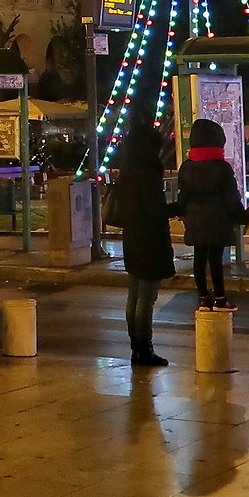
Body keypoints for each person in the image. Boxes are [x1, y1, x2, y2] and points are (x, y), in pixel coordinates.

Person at [105, 125, 175, 367]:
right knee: (146, 298)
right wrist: (178, 207)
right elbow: (155, 210)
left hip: (132, 238)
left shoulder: (127, 171)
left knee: (134, 296)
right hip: (150, 240)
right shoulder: (148, 173)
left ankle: (136, 347)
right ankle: (144, 348)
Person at [175, 119, 248, 309]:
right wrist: (242, 217)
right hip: (218, 220)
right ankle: (220, 298)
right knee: (215, 260)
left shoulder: (187, 167)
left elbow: (183, 195)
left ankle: (203, 296)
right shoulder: (221, 168)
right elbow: (231, 197)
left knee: (199, 258)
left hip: (195, 220)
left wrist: (181, 212)